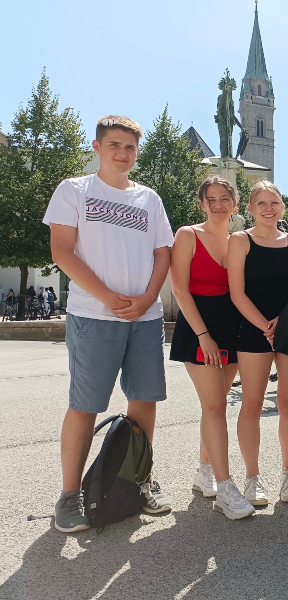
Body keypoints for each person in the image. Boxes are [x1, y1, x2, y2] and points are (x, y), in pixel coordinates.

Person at [43, 115, 174, 533]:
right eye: (114, 145)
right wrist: (108, 297)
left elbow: (162, 254)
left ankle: (139, 481)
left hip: (145, 317)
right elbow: (63, 252)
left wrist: (151, 296)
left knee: (143, 402)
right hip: (94, 315)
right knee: (85, 405)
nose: (123, 153)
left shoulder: (149, 199)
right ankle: (68, 497)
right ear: (98, 147)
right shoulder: (74, 190)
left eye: (130, 147)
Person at [169, 175, 251, 519]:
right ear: (202, 203)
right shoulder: (188, 234)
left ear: (234, 204)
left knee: (215, 405)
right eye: (211, 198)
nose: (218, 204)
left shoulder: (238, 241)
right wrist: (204, 336)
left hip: (231, 326)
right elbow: (179, 289)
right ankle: (225, 486)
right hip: (199, 328)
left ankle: (204, 472)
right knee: (216, 405)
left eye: (225, 198)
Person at [228, 180, 288, 506]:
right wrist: (266, 327)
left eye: (274, 202)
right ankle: (252, 477)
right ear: (250, 208)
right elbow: (237, 293)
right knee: (252, 404)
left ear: (282, 207)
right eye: (261, 203)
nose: (268, 208)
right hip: (253, 331)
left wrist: (283, 325)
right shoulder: (240, 240)